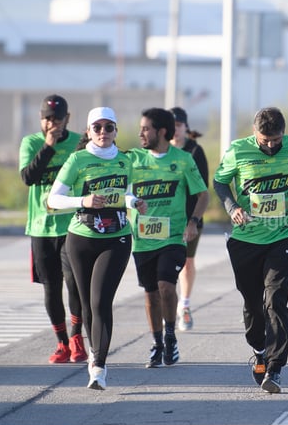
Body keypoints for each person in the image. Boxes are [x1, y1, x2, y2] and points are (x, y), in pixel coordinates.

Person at [213, 107, 288, 393]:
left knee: (275, 299)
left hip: (284, 234)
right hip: (246, 238)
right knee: (252, 303)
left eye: (276, 140)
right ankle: (259, 349)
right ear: (254, 133)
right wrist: (232, 207)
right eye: (265, 141)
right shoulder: (237, 151)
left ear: (284, 133)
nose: (271, 146)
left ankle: (275, 368)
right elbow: (220, 182)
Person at [47, 107, 143, 389]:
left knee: (101, 301)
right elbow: (54, 199)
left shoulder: (125, 161)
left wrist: (134, 202)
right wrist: (84, 201)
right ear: (88, 131)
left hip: (117, 237)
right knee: (88, 303)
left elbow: (125, 194)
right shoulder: (78, 159)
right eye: (97, 127)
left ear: (116, 131)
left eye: (109, 127)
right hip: (81, 238)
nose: (103, 132)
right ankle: (93, 353)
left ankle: (98, 366)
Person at [130, 108, 209, 368]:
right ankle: (157, 342)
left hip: (174, 236)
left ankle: (171, 336)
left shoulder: (184, 159)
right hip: (142, 239)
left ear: (161, 132)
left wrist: (193, 222)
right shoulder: (133, 160)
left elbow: (202, 195)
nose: (141, 133)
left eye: (145, 128)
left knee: (166, 286)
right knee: (151, 294)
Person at [19, 94, 87, 364]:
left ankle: (76, 338)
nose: (52, 124)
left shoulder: (77, 144)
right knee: (51, 287)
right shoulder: (31, 143)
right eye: (47, 119)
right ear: (40, 119)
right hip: (41, 227)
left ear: (67, 119)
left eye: (57, 119)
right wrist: (48, 145)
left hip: (72, 225)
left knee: (75, 284)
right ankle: (61, 343)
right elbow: (28, 177)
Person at [169, 106, 210, 331]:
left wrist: (193, 220)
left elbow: (202, 189)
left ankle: (184, 306)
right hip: (164, 220)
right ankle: (168, 306)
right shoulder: (159, 151)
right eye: (171, 125)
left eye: (178, 125)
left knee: (186, 261)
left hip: (190, 217)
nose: (175, 130)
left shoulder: (195, 151)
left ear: (185, 127)